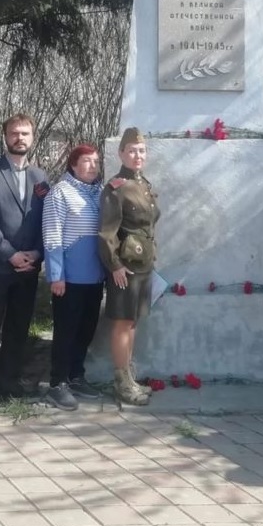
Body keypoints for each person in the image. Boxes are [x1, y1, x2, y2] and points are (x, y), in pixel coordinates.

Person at [0, 114, 48, 402]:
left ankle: (10, 383)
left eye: (25, 133)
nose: (20, 138)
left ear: (33, 137)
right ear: (5, 136)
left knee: (19, 329)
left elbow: (46, 219)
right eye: (14, 133)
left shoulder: (40, 177)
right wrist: (10, 254)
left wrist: (37, 252)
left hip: (29, 267)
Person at [98, 127, 160, 406]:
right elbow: (106, 233)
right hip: (124, 267)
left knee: (132, 321)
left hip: (143, 265)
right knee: (123, 322)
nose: (137, 155)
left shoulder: (143, 184)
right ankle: (122, 383)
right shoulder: (116, 187)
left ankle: (129, 377)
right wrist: (115, 266)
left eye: (142, 150)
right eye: (132, 150)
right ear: (121, 153)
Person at [42, 144, 105, 411]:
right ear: (73, 165)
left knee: (86, 330)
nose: (92, 166)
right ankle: (58, 383)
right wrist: (56, 275)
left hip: (95, 277)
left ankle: (76, 376)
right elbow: (52, 235)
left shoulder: (99, 193)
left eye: (96, 162)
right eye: (86, 161)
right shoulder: (60, 192)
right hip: (69, 278)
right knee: (66, 331)